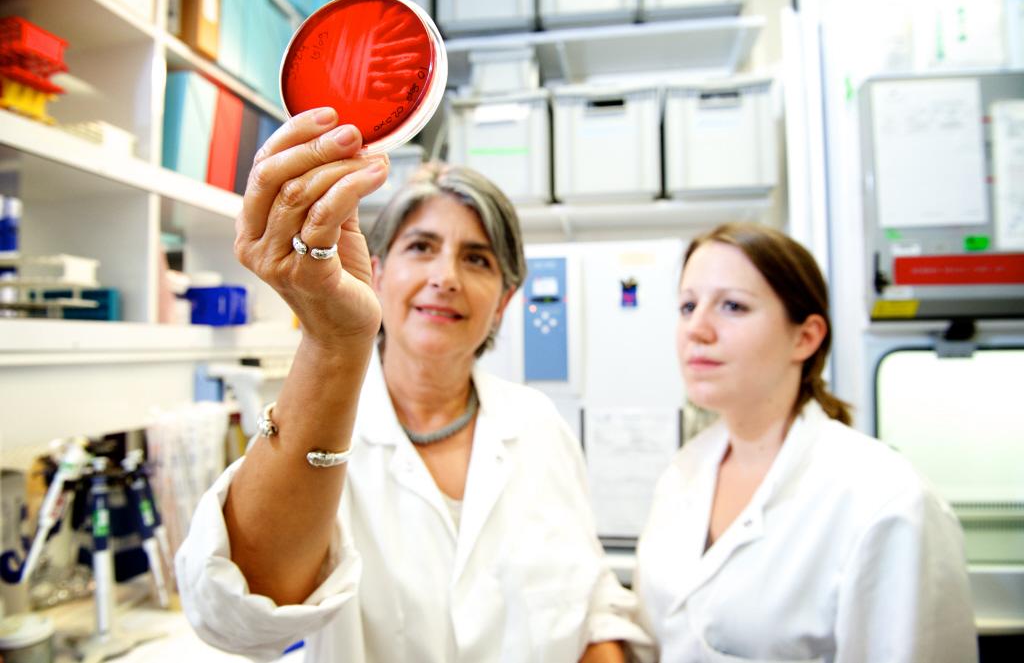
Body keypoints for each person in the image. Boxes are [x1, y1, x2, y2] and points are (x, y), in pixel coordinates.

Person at [175, 108, 652, 663]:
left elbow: (591, 602)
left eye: (476, 259)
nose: (445, 277)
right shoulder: (320, 424)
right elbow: (236, 616)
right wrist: (332, 341)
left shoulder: (538, 425)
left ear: (503, 301)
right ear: (376, 274)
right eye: (421, 247)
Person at [634, 223, 977, 662]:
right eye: (687, 306)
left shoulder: (886, 501)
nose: (696, 329)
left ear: (805, 337)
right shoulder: (683, 473)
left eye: (732, 306)